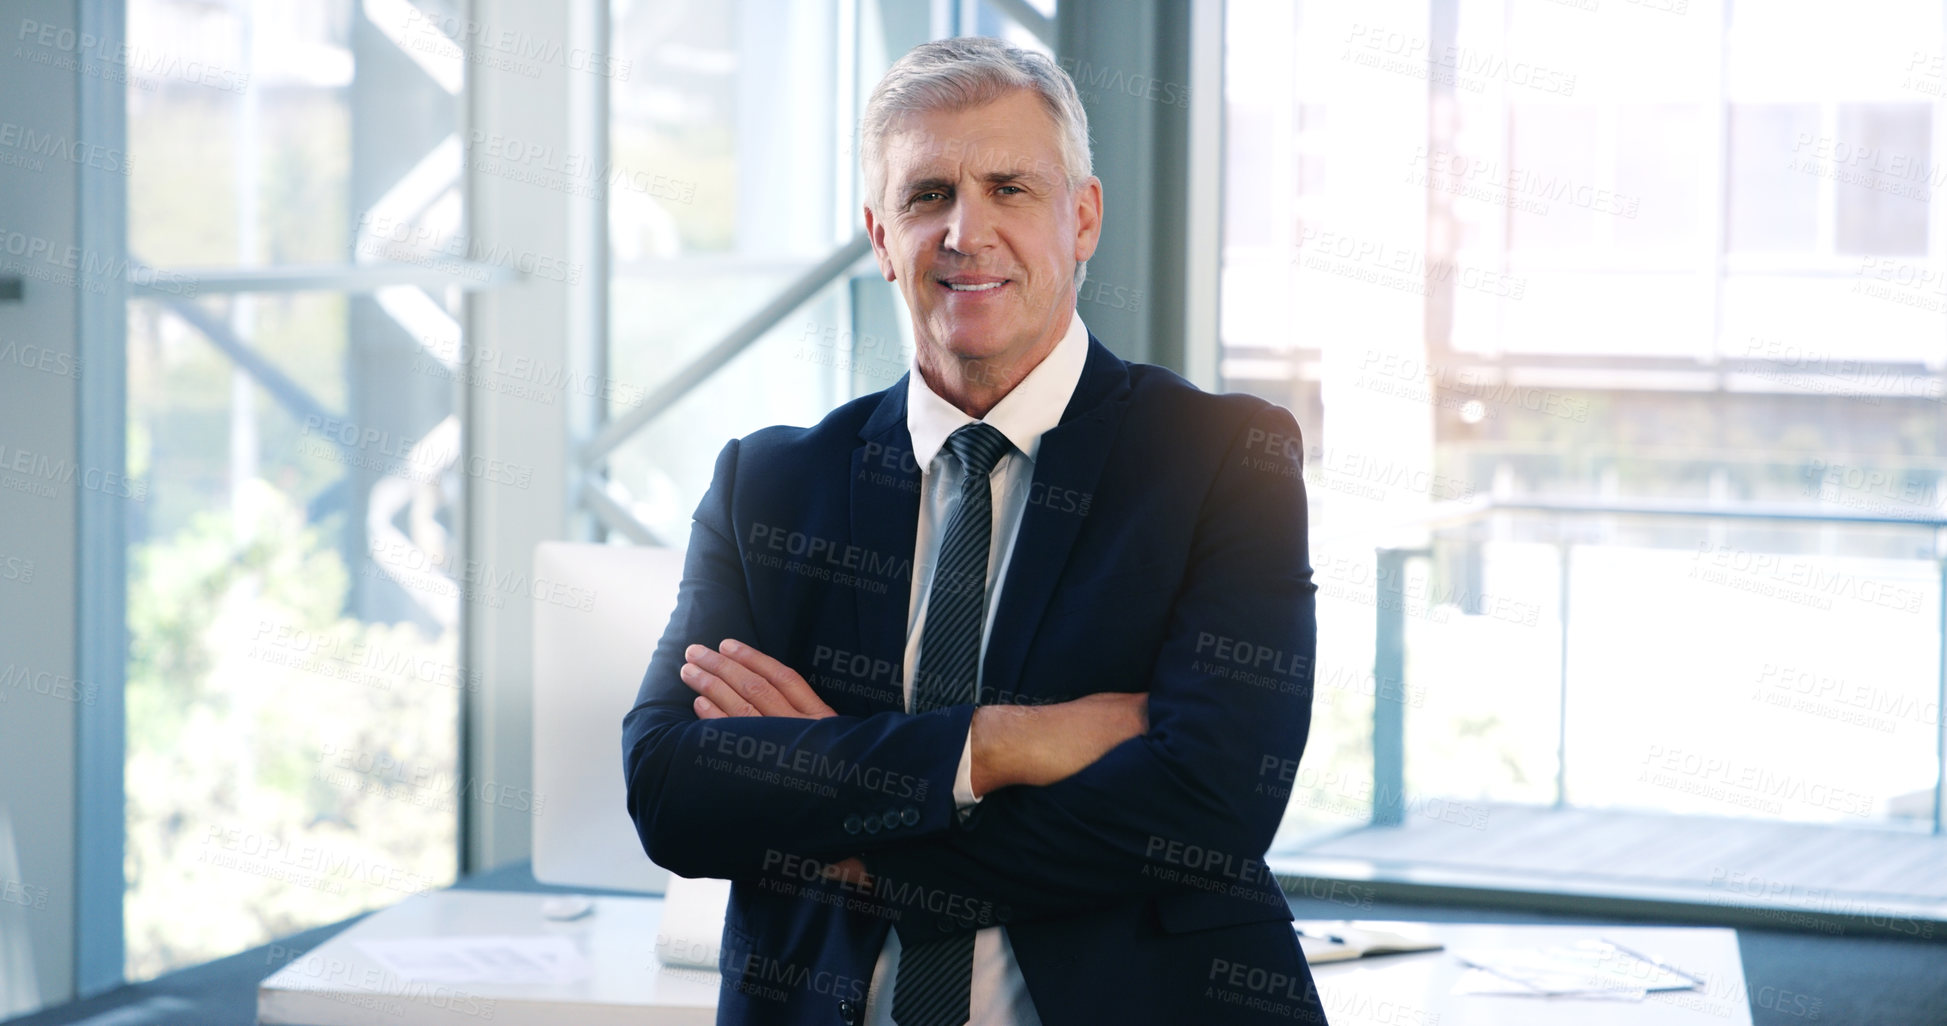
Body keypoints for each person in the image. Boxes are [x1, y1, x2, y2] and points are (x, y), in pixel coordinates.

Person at [622, 35, 1323, 1026]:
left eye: (1009, 188)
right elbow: (673, 793)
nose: (966, 231)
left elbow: (1211, 808)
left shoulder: (1223, 458)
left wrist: (854, 824)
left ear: (1082, 217)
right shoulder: (773, 484)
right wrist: (993, 748)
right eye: (926, 196)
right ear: (878, 235)